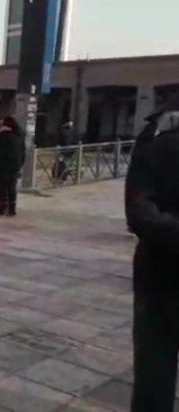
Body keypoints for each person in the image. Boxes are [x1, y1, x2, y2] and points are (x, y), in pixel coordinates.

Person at [125, 97, 179, 412]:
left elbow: (140, 214)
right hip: (157, 277)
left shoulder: (152, 150)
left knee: (154, 372)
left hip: (157, 274)